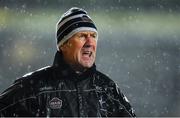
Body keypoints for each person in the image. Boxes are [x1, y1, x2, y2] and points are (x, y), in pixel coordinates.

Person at [0, 7, 136, 117]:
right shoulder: (33, 87)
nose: (90, 43)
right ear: (63, 45)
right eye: (82, 35)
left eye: (93, 36)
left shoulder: (107, 89)